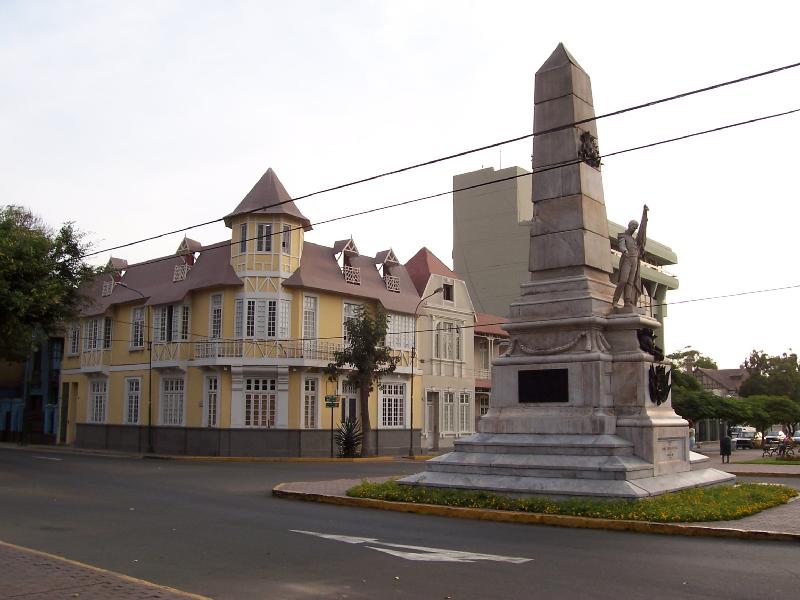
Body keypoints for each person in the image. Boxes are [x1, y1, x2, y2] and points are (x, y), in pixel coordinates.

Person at [613, 205, 649, 307]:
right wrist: (625, 251)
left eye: (636, 227)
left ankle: (627, 301)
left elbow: (642, 232)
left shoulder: (634, 240)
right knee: (623, 280)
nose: (635, 229)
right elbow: (621, 245)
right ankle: (615, 300)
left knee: (631, 282)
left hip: (635, 262)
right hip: (627, 259)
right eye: (634, 226)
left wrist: (644, 214)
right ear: (629, 226)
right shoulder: (623, 236)